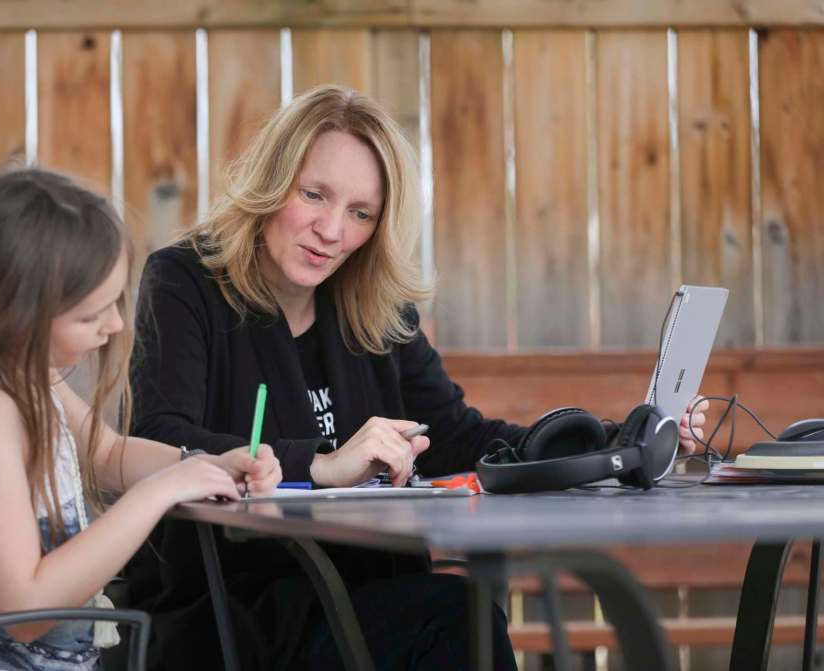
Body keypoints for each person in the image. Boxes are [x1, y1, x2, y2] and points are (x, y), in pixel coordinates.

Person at [127, 85, 709, 670]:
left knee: (462, 614)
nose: (332, 231)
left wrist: (617, 444)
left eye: (360, 213)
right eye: (314, 195)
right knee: (457, 617)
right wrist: (321, 466)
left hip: (359, 590)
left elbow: (457, 435)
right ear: (271, 181)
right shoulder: (187, 282)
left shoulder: (375, 307)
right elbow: (158, 435)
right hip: (232, 610)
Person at [0, 168, 281, 670]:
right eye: (92, 315)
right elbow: (23, 611)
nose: (114, 325)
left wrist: (205, 464)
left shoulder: (27, 379)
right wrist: (156, 495)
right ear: (16, 316)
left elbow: (106, 452)